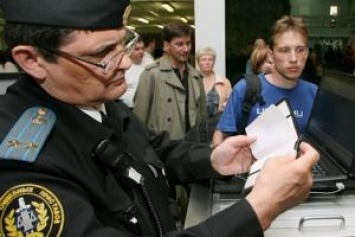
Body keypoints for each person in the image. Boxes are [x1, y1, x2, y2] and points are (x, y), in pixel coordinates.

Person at [0, 1, 319, 237]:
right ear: (32, 60)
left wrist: (214, 159)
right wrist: (258, 209)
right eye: (102, 55)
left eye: (122, 43)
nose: (125, 62)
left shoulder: (94, 98)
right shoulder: (19, 162)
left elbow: (153, 148)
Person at [213, 15, 318, 146]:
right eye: (284, 50)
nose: (293, 58)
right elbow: (220, 138)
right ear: (271, 55)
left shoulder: (314, 93)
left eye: (300, 50)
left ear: (307, 53)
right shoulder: (246, 89)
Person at [133, 21, 207, 140]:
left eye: (188, 43)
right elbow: (139, 119)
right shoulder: (152, 74)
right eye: (179, 44)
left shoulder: (196, 76)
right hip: (162, 149)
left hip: (191, 148)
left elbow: (203, 118)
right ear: (166, 46)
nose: (186, 49)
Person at [196, 47, 232, 117]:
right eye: (203, 60)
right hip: (197, 124)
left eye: (210, 60)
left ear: (214, 62)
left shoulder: (224, 82)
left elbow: (231, 104)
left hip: (217, 124)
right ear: (198, 62)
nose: (207, 63)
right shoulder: (192, 81)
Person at [120, 36, 154, 108]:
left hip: (147, 107)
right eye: (137, 49)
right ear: (128, 50)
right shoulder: (123, 66)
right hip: (128, 108)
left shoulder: (150, 63)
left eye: (142, 48)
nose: (141, 51)